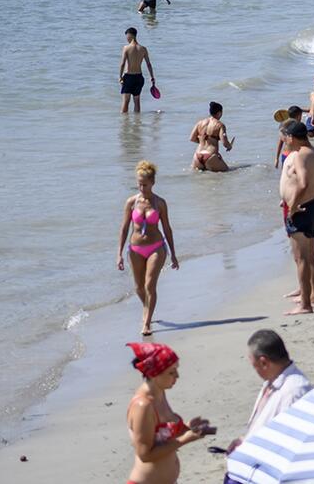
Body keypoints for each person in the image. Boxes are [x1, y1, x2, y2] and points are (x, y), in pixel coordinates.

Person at [124, 341, 213, 483]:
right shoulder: (143, 406)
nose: (177, 376)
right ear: (154, 374)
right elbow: (145, 455)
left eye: (176, 369)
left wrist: (187, 427)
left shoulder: (160, 393)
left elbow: (161, 436)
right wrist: (184, 439)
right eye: (171, 372)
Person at [118, 161, 177, 335]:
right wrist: (119, 254)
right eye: (139, 184)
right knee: (138, 287)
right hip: (135, 249)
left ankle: (147, 322)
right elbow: (124, 228)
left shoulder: (160, 203)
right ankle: (148, 307)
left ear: (153, 183)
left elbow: (167, 228)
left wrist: (173, 254)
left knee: (150, 285)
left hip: (156, 248)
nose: (141, 187)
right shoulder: (131, 202)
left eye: (145, 184)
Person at [227, 328, 309, 453]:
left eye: (254, 365)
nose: (255, 370)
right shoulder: (272, 381)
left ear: (264, 362)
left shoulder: (293, 391)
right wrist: (245, 440)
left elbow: (288, 440)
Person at [278, 122, 314, 314]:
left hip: (300, 209)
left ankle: (305, 304)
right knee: (311, 255)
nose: (284, 141)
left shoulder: (299, 155)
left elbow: (303, 182)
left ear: (291, 137)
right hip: (313, 206)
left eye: (285, 138)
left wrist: (293, 205)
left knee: (301, 258)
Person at [120, 28, 155, 114]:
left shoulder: (126, 48)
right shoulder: (143, 49)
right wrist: (152, 77)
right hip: (139, 77)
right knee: (137, 101)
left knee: (126, 101)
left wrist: (120, 77)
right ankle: (137, 122)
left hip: (128, 77)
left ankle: (124, 124)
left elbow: (122, 64)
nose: (126, 39)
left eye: (127, 36)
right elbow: (149, 64)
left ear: (130, 35)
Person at [190, 103, 232, 172]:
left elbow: (192, 138)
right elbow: (225, 143)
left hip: (197, 155)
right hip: (210, 156)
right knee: (228, 172)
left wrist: (202, 142)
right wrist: (229, 146)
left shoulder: (200, 122)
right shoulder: (220, 125)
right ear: (219, 113)